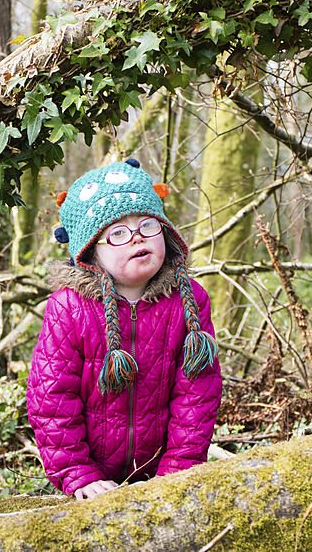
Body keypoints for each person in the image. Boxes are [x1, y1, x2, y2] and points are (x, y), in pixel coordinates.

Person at [26, 158, 222, 500]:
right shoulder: (68, 308)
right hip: (91, 474)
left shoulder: (188, 301)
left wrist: (179, 469)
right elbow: (51, 398)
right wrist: (78, 473)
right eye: (117, 233)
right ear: (90, 253)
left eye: (148, 225)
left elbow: (198, 393)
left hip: (166, 468)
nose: (136, 238)